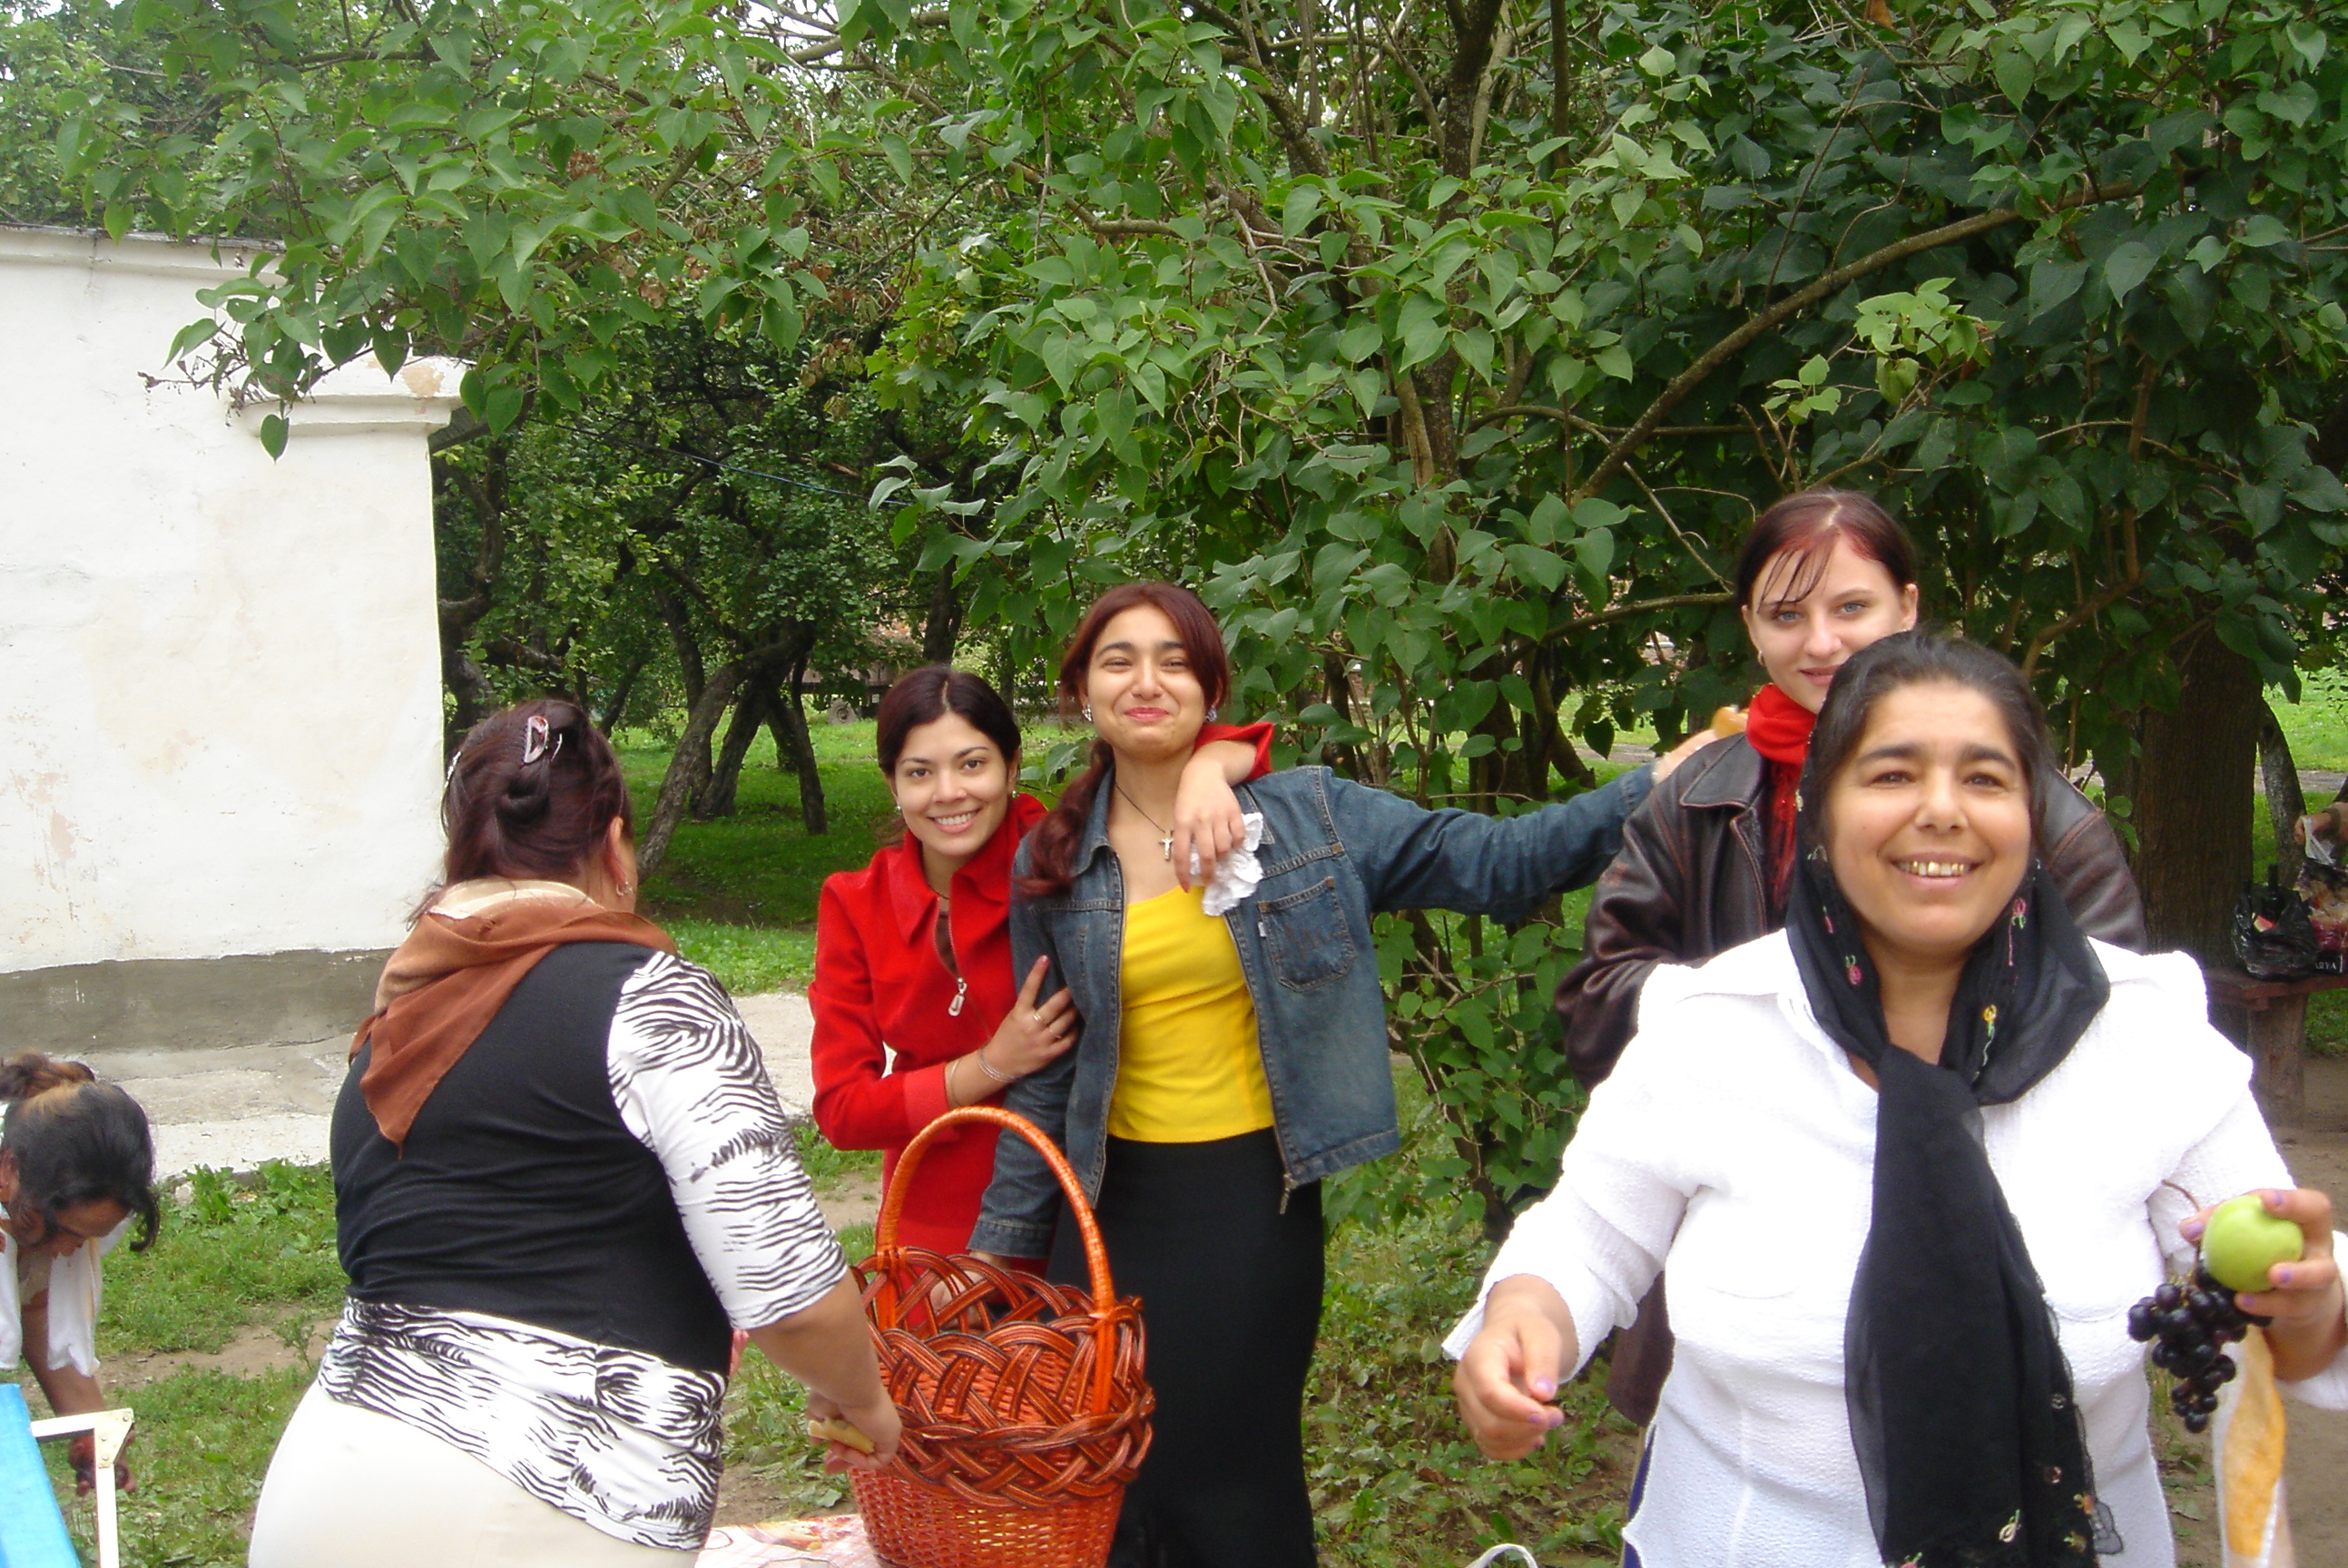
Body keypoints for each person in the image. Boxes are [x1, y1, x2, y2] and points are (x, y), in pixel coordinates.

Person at [1452, 632, 2348, 1568]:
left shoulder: (2142, 1034)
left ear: (2032, 817)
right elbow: (1586, 1240)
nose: (1941, 810)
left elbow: (2285, 1313)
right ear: (1822, 810)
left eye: (1986, 779)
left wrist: (2310, 1305)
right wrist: (1524, 1322)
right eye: (1891, 775)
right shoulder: (1713, 1026)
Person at [968, 582, 1690, 1568]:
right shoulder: (1053, 860)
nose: (1147, 682)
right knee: (1105, 1485)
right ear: (1081, 690)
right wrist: (994, 1266)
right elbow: (1045, 1077)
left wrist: (1656, 785)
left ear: (1211, 688)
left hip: (1243, 1207)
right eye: (1118, 660)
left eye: (1175, 661)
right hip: (1100, 1212)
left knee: (1229, 1484)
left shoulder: (1308, 817)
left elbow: (1502, 862)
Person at [249, 699, 899, 1567]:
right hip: (534, 1501)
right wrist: (862, 1399)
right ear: (616, 847)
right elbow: (792, 1297)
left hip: (326, 1480)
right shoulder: (653, 999)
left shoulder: (399, 1019)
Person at [1553, 488, 2146, 1423]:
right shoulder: (1695, 799)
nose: (1821, 642)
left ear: (1907, 607)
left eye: (1851, 607)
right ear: (1751, 627)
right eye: (1787, 615)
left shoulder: (2040, 822)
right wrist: (1758, 1030)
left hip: (1980, 1241)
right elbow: (1597, 998)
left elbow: (2114, 1041)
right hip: (1753, 1249)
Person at [811, 666, 1272, 1255]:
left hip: (1083, 1213)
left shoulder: (1068, 859)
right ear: (891, 784)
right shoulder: (857, 902)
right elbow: (843, 1111)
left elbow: (1239, 745)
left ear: (1012, 766)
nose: (949, 792)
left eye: (972, 764)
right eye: (919, 772)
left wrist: (1207, 771)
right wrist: (989, 1066)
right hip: (935, 1229)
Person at [0, 1054, 156, 1494]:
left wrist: (93, 1432)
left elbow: (36, 1304)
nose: (71, 1249)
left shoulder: (43, 1194)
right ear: (6, 1173)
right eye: (66, 1232)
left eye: (88, 1238)